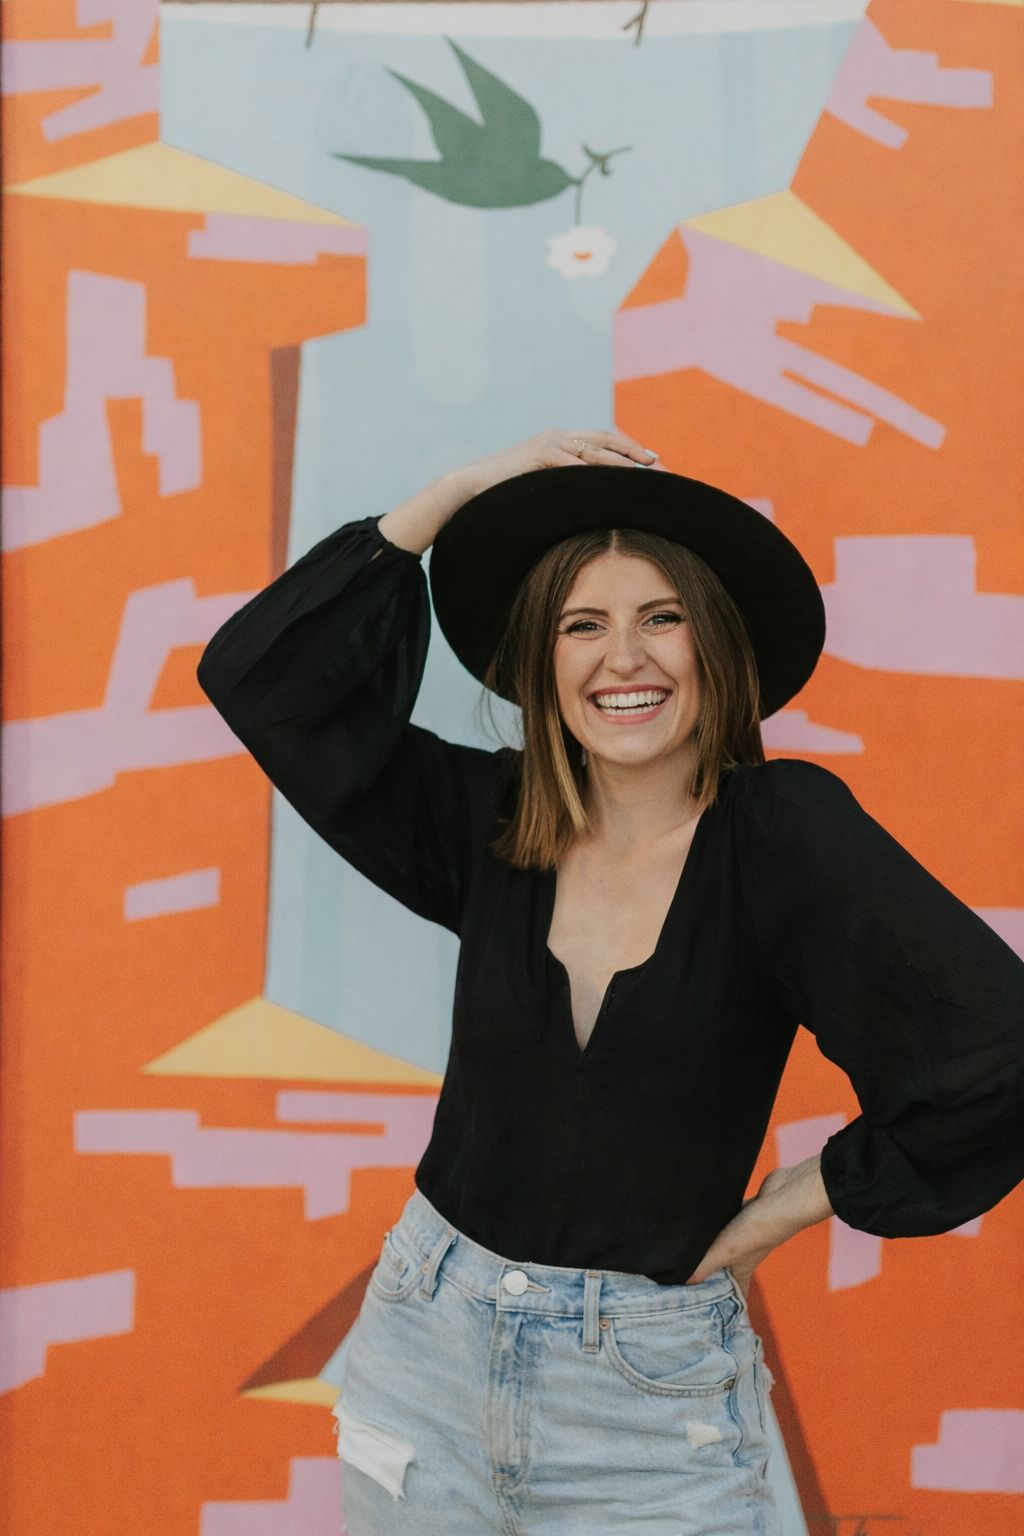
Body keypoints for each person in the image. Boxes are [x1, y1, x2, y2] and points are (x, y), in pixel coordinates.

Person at [199, 430, 1024, 1536]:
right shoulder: (486, 827)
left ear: (714, 649)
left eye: (660, 618)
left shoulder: (781, 840)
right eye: (580, 625)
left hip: (643, 1401)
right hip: (423, 1348)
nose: (620, 658)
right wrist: (453, 500)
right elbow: (265, 685)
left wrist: (786, 1208)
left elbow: (995, 1054)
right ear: (540, 663)